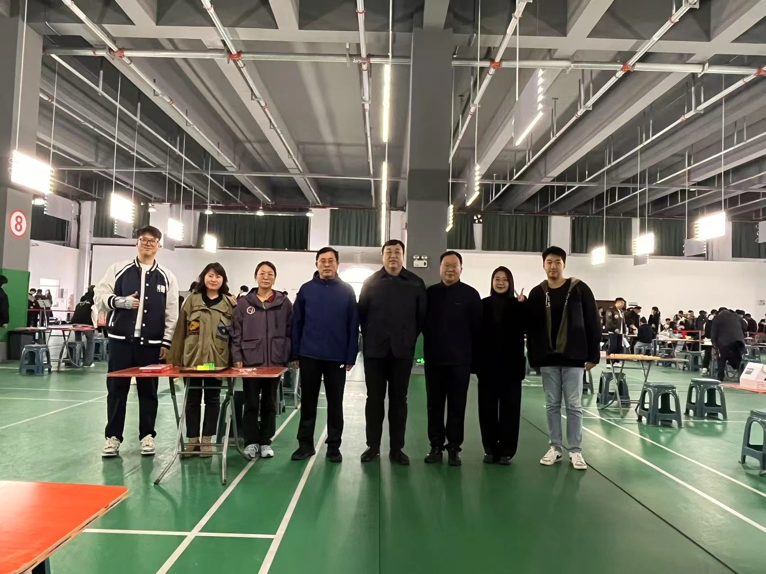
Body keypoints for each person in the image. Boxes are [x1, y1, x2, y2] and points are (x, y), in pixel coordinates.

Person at [95, 225, 179, 457]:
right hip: (120, 342)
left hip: (151, 346)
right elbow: (99, 295)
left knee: (148, 392)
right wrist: (119, 301)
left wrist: (166, 342)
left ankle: (147, 436)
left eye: (153, 241)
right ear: (137, 242)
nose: (148, 243)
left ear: (159, 245)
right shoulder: (118, 269)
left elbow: (172, 313)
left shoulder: (167, 277)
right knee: (116, 390)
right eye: (144, 239)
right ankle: (113, 437)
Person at [526, 246, 600, 471]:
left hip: (574, 358)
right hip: (548, 359)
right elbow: (531, 326)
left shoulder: (579, 289)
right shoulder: (537, 293)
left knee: (574, 405)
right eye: (549, 262)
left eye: (557, 262)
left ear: (564, 265)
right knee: (552, 405)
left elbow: (593, 321)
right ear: (543, 265)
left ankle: (575, 450)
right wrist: (535, 357)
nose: (553, 266)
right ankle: (555, 447)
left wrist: (593, 354)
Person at [358, 240, 426, 466]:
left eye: (397, 251)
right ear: (383, 256)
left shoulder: (416, 283)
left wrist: (406, 338)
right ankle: (372, 446)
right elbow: (362, 314)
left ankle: (397, 449)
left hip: (402, 353)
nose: (393, 255)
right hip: (374, 353)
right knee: (374, 400)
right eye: (389, 252)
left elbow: (421, 317)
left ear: (403, 255)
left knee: (399, 401)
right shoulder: (370, 282)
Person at [291, 247, 358, 463]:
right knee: (308, 403)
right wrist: (296, 353)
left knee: (335, 404)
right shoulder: (306, 290)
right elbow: (297, 323)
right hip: (309, 355)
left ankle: (333, 447)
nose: (327, 264)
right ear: (316, 264)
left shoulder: (347, 291)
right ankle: (305, 445)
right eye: (323, 261)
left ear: (337, 264)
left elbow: (353, 325)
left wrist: (350, 356)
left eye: (331, 261)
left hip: (336, 358)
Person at [168, 263, 236, 457]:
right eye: (210, 275)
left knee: (213, 399)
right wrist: (175, 359)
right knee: (192, 400)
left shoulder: (230, 304)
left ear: (223, 280)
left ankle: (207, 440)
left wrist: (235, 361)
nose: (213, 279)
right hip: (193, 360)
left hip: (217, 361)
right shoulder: (192, 300)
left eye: (218, 276)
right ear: (203, 277)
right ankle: (192, 440)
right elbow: (181, 331)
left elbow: (234, 335)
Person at [423, 251, 481, 467]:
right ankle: (436, 446)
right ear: (439, 268)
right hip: (434, 361)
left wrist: (473, 360)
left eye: (454, 266)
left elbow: (477, 330)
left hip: (460, 362)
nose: (450, 269)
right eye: (446, 265)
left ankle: (454, 448)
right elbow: (421, 324)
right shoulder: (430, 294)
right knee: (434, 406)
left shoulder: (471, 295)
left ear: (461, 269)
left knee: (458, 406)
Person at [230, 262, 293, 460]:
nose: (266, 277)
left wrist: (288, 355)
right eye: (262, 273)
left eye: (270, 274)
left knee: (269, 402)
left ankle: (265, 441)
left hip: (275, 361)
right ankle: (251, 441)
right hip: (250, 362)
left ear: (275, 277)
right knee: (250, 402)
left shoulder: (284, 303)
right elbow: (236, 332)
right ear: (255, 276)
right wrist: (237, 356)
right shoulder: (244, 303)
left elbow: (291, 331)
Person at [476, 267, 526, 465]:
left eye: (505, 279)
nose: (500, 282)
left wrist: (523, 305)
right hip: (487, 367)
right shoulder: (483, 304)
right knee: (486, 410)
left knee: (510, 410)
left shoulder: (518, 305)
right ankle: (490, 449)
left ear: (510, 282)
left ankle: (506, 451)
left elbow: (527, 327)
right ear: (492, 281)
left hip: (511, 367)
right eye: (497, 279)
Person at [711, 307, 746, 382]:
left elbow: (714, 332)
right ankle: (742, 377)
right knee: (738, 359)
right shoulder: (736, 316)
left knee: (722, 359)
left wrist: (714, 343)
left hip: (723, 342)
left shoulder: (717, 318)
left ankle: (720, 377)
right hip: (738, 341)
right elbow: (744, 327)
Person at [70, 285, 97, 367]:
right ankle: (88, 362)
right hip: (86, 323)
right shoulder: (94, 300)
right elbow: (95, 313)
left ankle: (76, 360)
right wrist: (95, 325)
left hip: (75, 323)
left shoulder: (82, 300)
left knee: (78, 341)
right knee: (90, 341)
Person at [702, 309, 717, 375]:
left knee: (707, 354)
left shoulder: (706, 323)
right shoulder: (716, 323)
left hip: (708, 341)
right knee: (711, 354)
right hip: (712, 341)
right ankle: (712, 369)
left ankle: (705, 368)